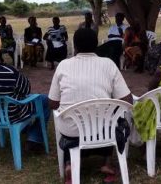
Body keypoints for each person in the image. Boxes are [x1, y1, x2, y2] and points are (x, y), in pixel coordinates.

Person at [48, 28, 133, 184]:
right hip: (104, 130)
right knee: (111, 119)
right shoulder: (109, 64)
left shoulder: (63, 65)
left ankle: (69, 163)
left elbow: (52, 103)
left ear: (75, 46)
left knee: (71, 120)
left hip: (72, 130)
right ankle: (107, 163)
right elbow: (127, 100)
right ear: (96, 45)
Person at [0, 32, 50, 147]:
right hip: (12, 115)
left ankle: (26, 129)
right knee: (45, 100)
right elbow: (26, 90)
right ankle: (35, 137)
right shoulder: (9, 71)